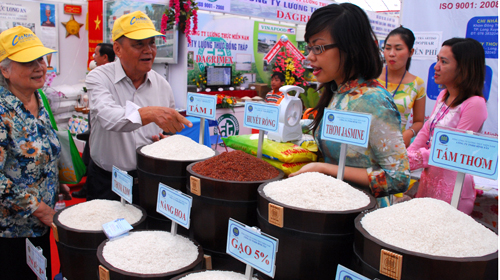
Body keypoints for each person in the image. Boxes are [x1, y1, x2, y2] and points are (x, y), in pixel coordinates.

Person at [290, 3, 410, 207]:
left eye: (318, 48)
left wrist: (326, 169)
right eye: (309, 48)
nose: (310, 57)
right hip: (333, 208)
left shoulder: (374, 100)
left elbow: (398, 178)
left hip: (362, 218)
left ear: (350, 48)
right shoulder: (337, 92)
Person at [85, 11, 192, 203]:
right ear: (117, 49)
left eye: (151, 43)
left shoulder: (162, 85)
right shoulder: (99, 77)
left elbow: (168, 132)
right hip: (106, 181)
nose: (148, 50)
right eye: (138, 44)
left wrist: (166, 141)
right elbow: (108, 116)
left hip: (148, 178)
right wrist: (148, 113)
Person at [0, 26, 65, 279]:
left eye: (40, 58)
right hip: (12, 232)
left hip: (40, 227)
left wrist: (53, 180)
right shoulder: (3, 112)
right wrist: (39, 208)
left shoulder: (39, 99)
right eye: (28, 61)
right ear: (5, 70)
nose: (39, 66)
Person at [407, 38, 487, 215]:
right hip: (429, 180)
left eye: (443, 62)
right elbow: (428, 129)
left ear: (464, 68)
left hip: (453, 189)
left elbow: (453, 148)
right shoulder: (443, 95)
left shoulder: (475, 104)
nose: (436, 67)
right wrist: (408, 154)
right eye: (437, 60)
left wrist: (412, 160)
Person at [72, 43, 115, 199]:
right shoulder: (96, 75)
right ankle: (87, 186)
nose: (93, 57)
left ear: (105, 57)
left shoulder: (112, 77)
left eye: (96, 54)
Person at [378, 27, 426, 148]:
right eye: (387, 48)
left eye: (398, 49)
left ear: (411, 52)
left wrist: (409, 133)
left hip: (395, 146)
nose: (391, 53)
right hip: (366, 144)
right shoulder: (371, 77)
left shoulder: (417, 84)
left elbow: (419, 121)